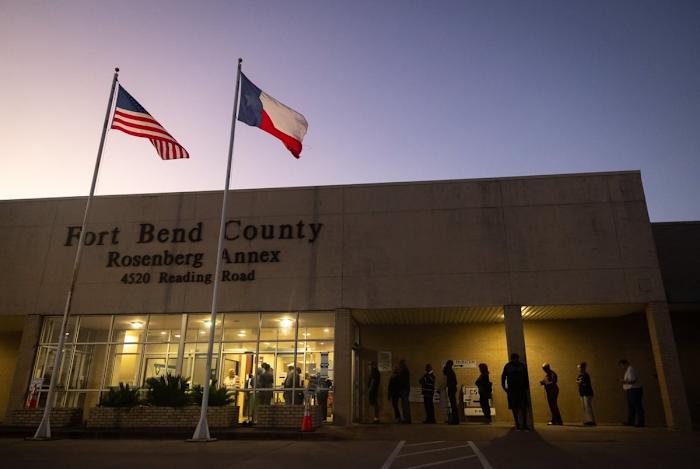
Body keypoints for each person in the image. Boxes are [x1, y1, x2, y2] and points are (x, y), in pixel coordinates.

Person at [501, 353, 530, 431]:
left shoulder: (521, 366)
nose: (516, 360)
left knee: (523, 407)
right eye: (515, 358)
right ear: (512, 359)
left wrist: (526, 387)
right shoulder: (508, 366)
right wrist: (504, 387)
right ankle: (517, 424)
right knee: (515, 407)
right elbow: (503, 377)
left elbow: (526, 376)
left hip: (521, 389)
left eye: (516, 358)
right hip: (512, 390)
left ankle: (524, 424)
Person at [619, 359, 644, 427]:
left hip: (635, 390)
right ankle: (631, 421)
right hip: (631, 390)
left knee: (637, 406)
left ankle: (640, 422)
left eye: (622, 365)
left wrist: (623, 381)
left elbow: (633, 381)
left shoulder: (630, 370)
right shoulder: (628, 370)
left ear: (625, 363)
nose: (622, 367)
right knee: (631, 406)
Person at [576, 362, 595, 426]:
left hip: (588, 393)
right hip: (582, 393)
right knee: (584, 407)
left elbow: (582, 383)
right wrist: (579, 382)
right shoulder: (580, 375)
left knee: (588, 406)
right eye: (578, 368)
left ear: (583, 368)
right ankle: (587, 420)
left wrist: (579, 382)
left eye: (579, 368)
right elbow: (578, 383)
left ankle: (591, 421)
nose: (578, 369)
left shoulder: (586, 375)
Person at [443, 360, 459, 424]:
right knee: (453, 405)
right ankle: (455, 419)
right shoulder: (451, 371)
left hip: (451, 389)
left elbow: (451, 381)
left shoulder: (450, 371)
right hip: (452, 389)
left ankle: (455, 420)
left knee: (453, 405)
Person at [398, 359, 411, 423]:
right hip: (405, 389)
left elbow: (402, 381)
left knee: (405, 404)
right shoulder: (405, 371)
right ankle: (407, 418)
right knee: (405, 404)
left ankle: (406, 419)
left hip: (404, 389)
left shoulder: (404, 371)